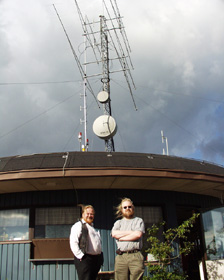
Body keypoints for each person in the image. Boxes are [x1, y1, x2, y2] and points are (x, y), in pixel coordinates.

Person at [111, 198, 145, 280]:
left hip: (135, 255)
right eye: (125, 207)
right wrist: (131, 232)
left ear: (133, 208)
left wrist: (122, 238)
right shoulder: (118, 223)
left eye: (129, 207)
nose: (127, 209)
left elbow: (138, 234)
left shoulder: (138, 221)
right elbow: (114, 234)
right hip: (121, 256)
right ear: (121, 209)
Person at [70, 205, 103, 280]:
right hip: (85, 259)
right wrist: (80, 256)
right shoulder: (78, 226)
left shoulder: (92, 227)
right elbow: (73, 242)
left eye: (91, 214)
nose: (89, 215)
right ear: (83, 214)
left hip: (95, 260)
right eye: (87, 213)